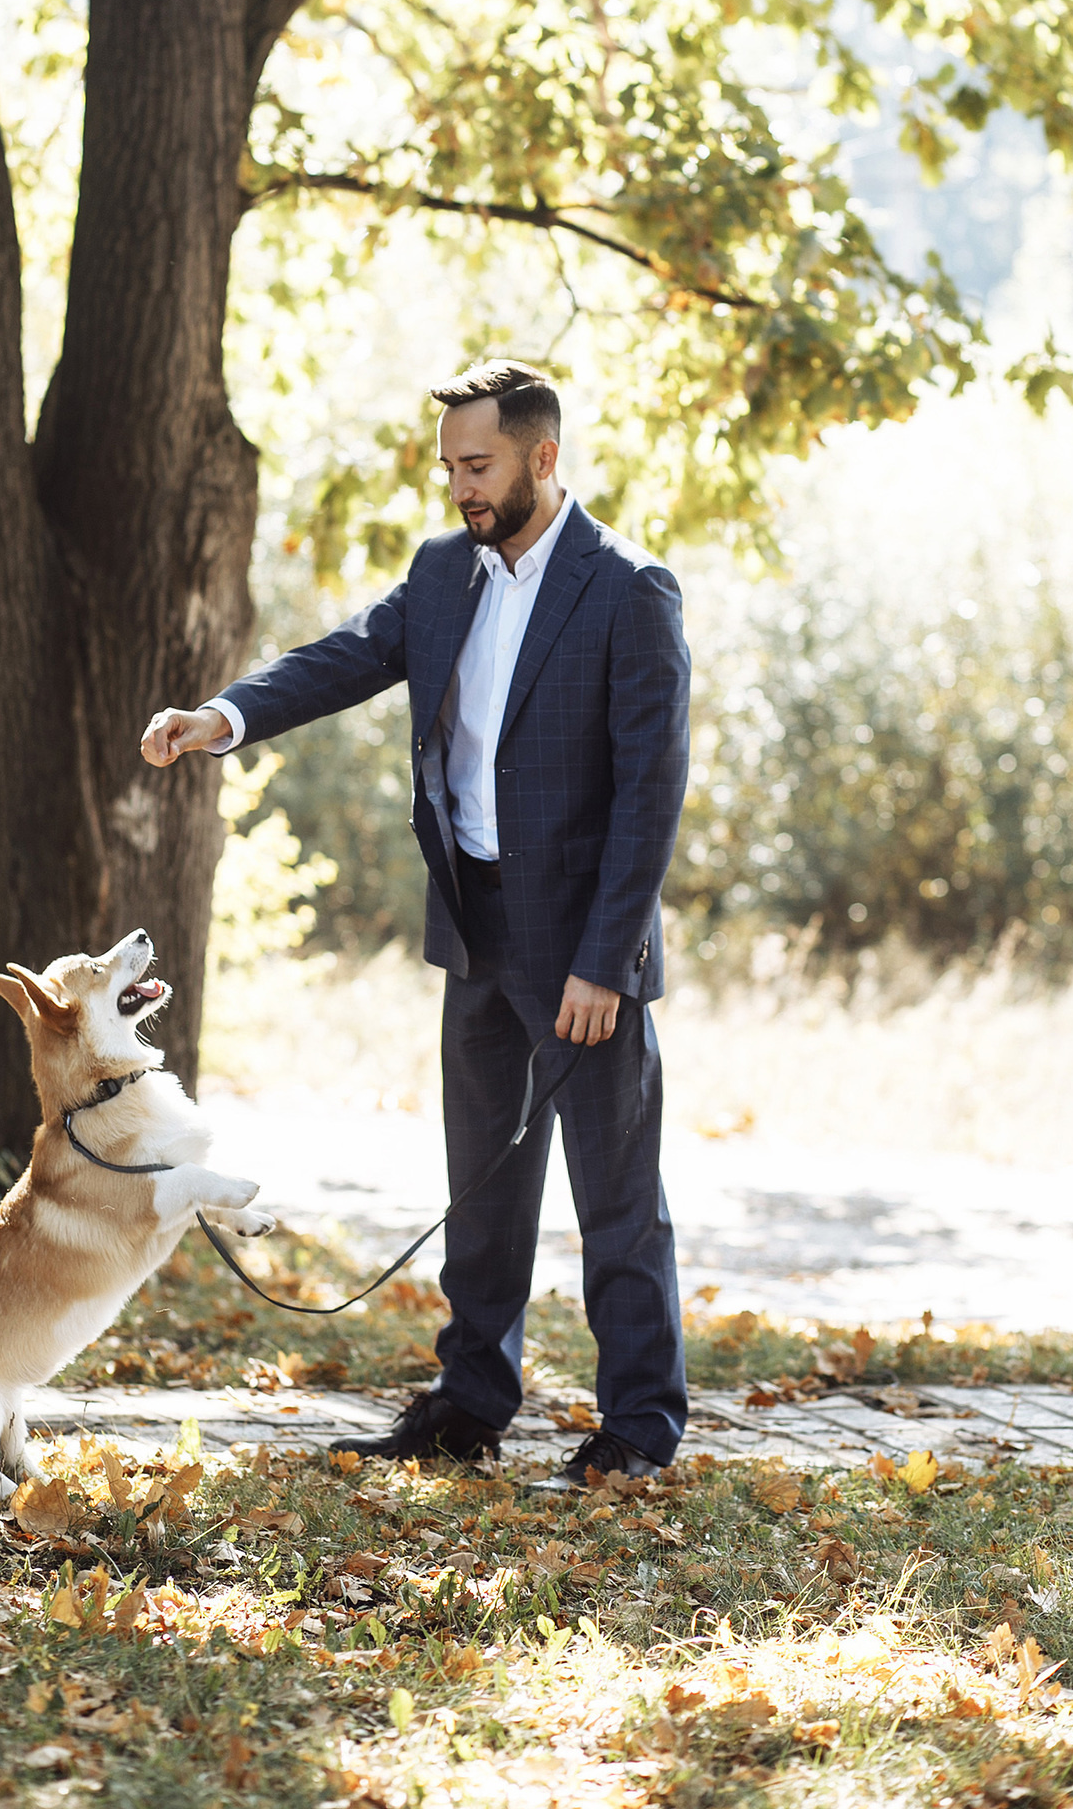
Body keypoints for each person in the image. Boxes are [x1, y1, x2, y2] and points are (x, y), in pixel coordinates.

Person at [141, 360, 692, 1484]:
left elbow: (650, 794)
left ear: (544, 457)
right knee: (482, 1189)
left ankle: (639, 1430)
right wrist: (224, 715)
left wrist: (605, 962)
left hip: (584, 951)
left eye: (478, 464)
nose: (459, 488)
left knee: (616, 1200)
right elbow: (350, 654)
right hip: (474, 933)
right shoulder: (447, 571)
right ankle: (470, 1404)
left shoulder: (629, 589)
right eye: (449, 466)